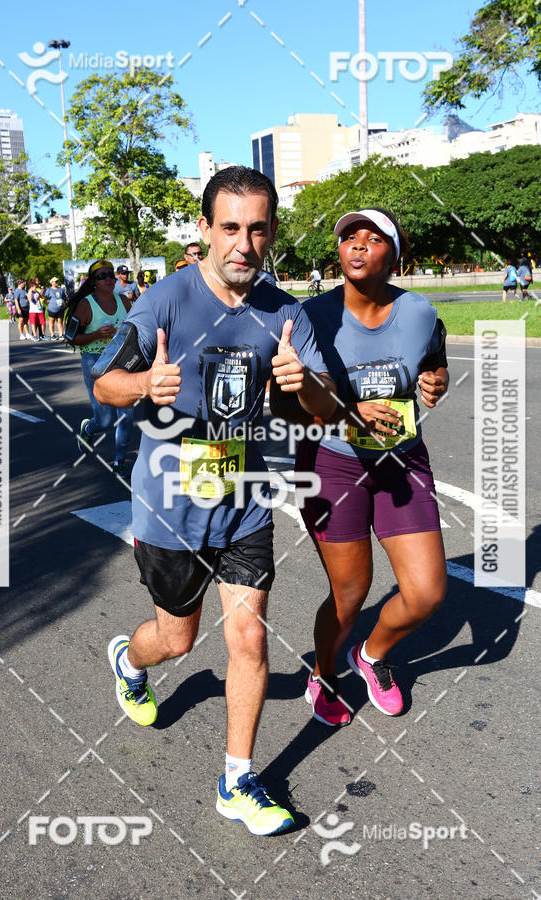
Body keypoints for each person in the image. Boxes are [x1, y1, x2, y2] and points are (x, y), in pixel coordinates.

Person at [92, 166, 336, 835]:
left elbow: (322, 409)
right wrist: (145, 384)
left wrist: (303, 383)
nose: (243, 244)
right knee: (176, 639)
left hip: (244, 504)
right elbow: (105, 382)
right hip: (169, 512)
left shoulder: (285, 312)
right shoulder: (164, 301)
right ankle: (129, 661)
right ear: (204, 230)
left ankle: (238, 780)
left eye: (257, 229)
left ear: (272, 232)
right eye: (230, 227)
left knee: (250, 638)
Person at [272, 207, 449, 726]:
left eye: (373, 238)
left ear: (395, 255)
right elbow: (282, 407)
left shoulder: (418, 312)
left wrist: (436, 380)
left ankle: (370, 655)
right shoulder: (309, 317)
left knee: (426, 593)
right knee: (350, 595)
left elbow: (434, 360)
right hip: (334, 465)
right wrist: (345, 410)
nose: (358, 245)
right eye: (350, 236)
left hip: (402, 461)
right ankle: (323, 673)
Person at [66, 259, 135, 474]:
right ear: (93, 281)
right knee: (105, 420)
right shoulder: (86, 305)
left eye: (111, 275)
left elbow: (135, 327)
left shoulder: (124, 301)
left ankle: (119, 460)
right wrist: (96, 335)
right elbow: (71, 337)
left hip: (120, 361)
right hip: (94, 361)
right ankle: (89, 427)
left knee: (127, 414)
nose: (108, 279)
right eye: (102, 276)